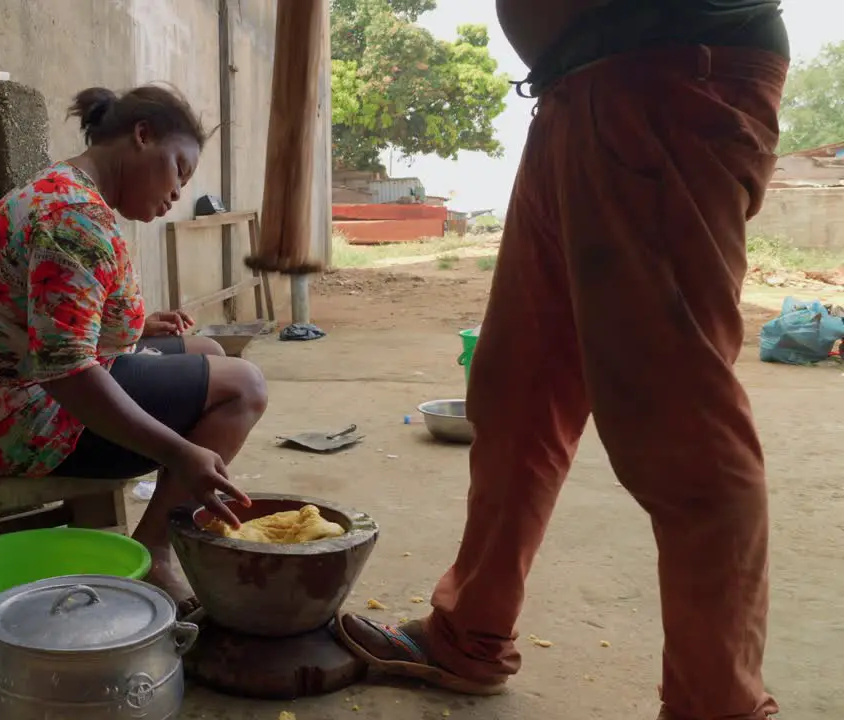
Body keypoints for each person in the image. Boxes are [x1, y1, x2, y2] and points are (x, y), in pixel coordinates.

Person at [335, 2, 789, 718]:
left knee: (678, 429)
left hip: (669, 73)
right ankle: (469, 634)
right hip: (578, 89)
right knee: (515, 391)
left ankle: (717, 706)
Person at [0, 84, 266, 611]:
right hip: (21, 419)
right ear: (142, 137)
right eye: (179, 171)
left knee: (209, 353)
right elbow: (66, 372)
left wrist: (135, 329)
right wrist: (178, 452)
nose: (178, 194)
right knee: (244, 387)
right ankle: (156, 546)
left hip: (13, 393)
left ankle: (161, 525)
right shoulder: (73, 219)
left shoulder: (61, 190)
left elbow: (53, 321)